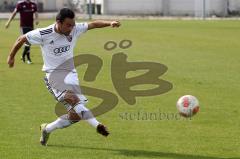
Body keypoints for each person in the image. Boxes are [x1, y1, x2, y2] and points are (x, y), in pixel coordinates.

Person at [7, 8, 121, 146]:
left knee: (75, 116)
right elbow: (21, 38)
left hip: (71, 74)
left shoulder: (74, 29)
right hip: (53, 75)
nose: (72, 27)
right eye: (68, 25)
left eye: (73, 24)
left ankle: (47, 129)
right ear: (58, 22)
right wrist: (11, 57)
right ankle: (97, 125)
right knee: (73, 99)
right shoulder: (45, 33)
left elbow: (93, 24)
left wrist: (110, 23)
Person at [5, 0, 38, 64]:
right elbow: (14, 13)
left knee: (29, 42)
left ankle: (23, 56)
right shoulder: (20, 4)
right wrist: (8, 22)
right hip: (23, 26)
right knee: (27, 41)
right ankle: (28, 58)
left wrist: (37, 19)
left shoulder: (33, 4)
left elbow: (36, 13)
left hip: (31, 26)